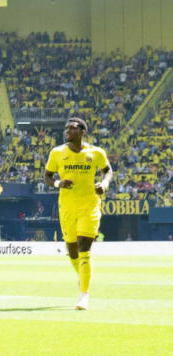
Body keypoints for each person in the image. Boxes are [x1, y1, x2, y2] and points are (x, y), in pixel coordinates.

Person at [44, 117, 111, 310]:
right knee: (72, 250)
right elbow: (48, 176)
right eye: (66, 128)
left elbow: (108, 171)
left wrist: (104, 184)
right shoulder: (57, 153)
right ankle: (83, 278)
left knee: (84, 248)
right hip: (67, 207)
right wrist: (58, 183)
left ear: (82, 132)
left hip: (89, 206)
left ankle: (84, 294)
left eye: (72, 128)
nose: (67, 131)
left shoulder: (96, 152)